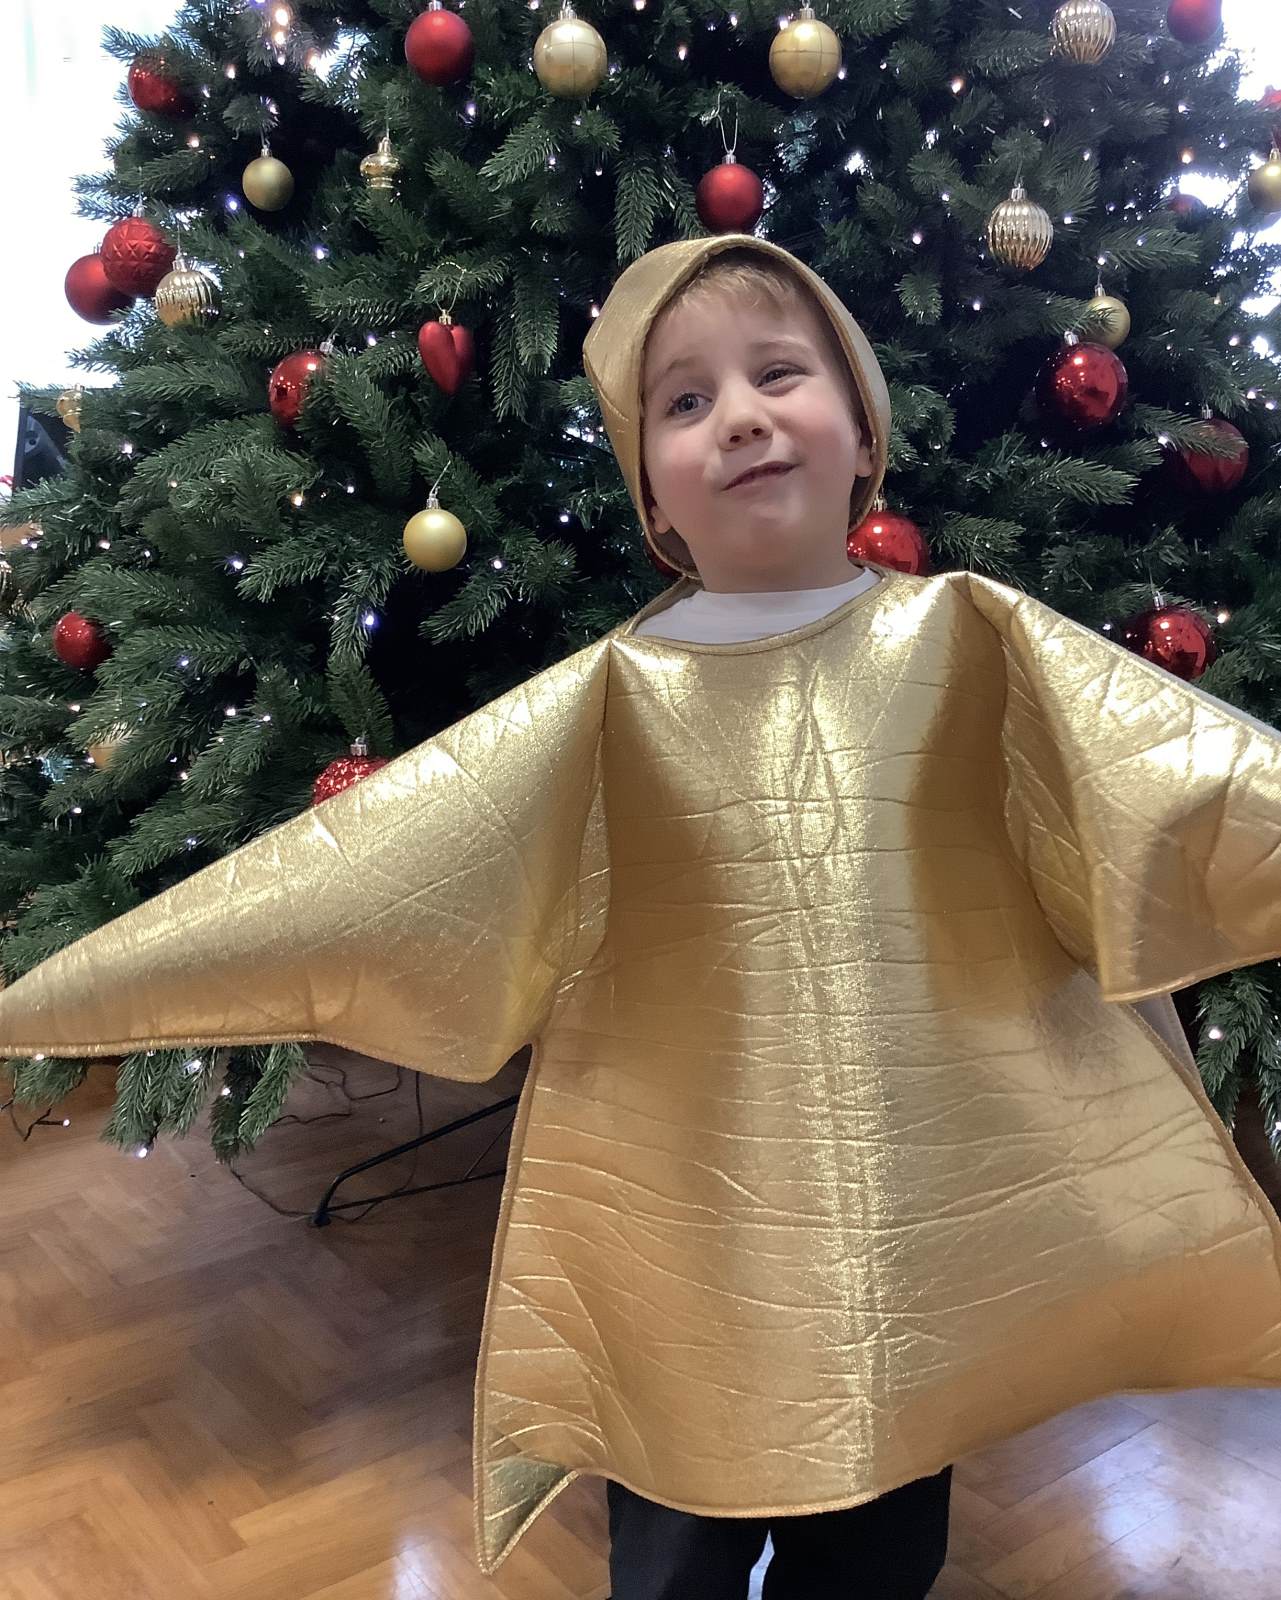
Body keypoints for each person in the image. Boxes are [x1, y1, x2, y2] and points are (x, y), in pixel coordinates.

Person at [5, 234, 1281, 1599]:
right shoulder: (614, 699)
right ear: (654, 498)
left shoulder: (974, 640)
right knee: (673, 1539)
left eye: (778, 374)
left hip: (905, 1218)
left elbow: (1194, 788)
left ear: (864, 432)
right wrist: (77, 993)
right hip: (682, 1217)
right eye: (683, 401)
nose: (738, 416)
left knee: (879, 1528)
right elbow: (380, 871)